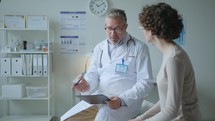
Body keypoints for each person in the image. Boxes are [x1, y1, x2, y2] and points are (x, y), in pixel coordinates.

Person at [73, 8, 153, 121]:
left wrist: (122, 100)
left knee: (104, 117)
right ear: (105, 27)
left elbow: (145, 83)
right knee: (68, 118)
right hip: (101, 99)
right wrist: (86, 84)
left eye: (118, 29)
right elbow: (93, 73)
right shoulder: (99, 48)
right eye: (109, 28)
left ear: (125, 27)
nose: (113, 34)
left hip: (126, 103)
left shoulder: (139, 48)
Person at [129, 2, 200, 121]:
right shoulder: (169, 54)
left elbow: (172, 110)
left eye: (142, 28)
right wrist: (141, 118)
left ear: (151, 30)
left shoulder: (174, 58)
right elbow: (165, 102)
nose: (142, 31)